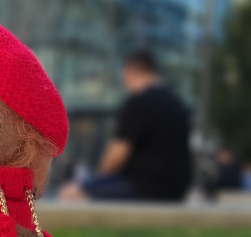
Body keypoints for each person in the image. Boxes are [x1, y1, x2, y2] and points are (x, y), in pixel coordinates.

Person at [61, 49, 192, 202]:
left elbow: (117, 154)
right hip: (176, 190)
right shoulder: (176, 102)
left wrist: (96, 180)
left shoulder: (140, 101)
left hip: (146, 187)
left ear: (130, 71)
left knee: (72, 192)